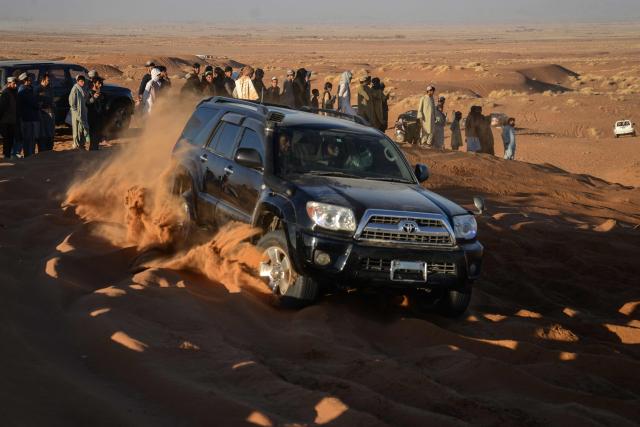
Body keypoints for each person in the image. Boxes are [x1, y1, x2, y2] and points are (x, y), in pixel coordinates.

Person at [17, 73, 40, 157]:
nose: (31, 80)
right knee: (28, 139)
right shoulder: (23, 90)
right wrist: (38, 105)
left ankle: (31, 155)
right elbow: (33, 103)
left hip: (31, 117)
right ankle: (28, 156)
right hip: (27, 118)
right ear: (25, 80)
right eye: (29, 79)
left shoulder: (29, 89)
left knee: (32, 139)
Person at [69, 74, 90, 150]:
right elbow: (72, 103)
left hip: (83, 112)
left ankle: (81, 144)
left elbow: (86, 101)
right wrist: (76, 114)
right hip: (76, 113)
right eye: (81, 81)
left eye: (83, 81)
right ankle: (76, 145)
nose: (82, 83)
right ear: (77, 81)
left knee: (82, 128)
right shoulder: (74, 89)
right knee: (76, 129)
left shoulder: (83, 89)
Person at [0, 77, 18, 159]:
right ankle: (6, 155)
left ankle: (8, 155)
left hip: (12, 120)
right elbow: (2, 108)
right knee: (7, 139)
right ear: (9, 83)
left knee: (10, 139)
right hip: (5, 121)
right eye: (14, 83)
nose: (15, 85)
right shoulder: (6, 93)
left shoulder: (14, 92)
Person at [36, 73, 55, 152]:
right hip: (42, 113)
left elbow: (52, 99)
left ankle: (49, 150)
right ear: (43, 80)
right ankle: (42, 151)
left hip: (50, 112)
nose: (49, 81)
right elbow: (36, 102)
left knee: (50, 133)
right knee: (43, 133)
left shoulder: (49, 88)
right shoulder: (37, 89)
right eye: (48, 80)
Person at [87, 76, 106, 150]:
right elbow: (87, 103)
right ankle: (92, 149)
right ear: (94, 83)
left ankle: (95, 148)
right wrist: (94, 98)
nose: (100, 85)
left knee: (98, 133)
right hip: (92, 116)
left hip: (99, 117)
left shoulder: (101, 93)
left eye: (101, 83)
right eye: (99, 83)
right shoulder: (89, 92)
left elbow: (103, 105)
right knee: (93, 133)